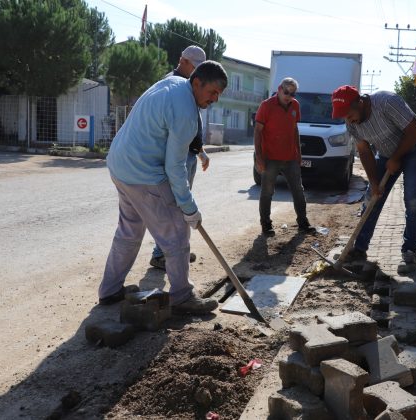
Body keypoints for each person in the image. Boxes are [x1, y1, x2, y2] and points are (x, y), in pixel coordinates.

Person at [97, 61, 228, 315]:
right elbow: (175, 168)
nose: (214, 99)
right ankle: (182, 296)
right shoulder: (187, 114)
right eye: (212, 92)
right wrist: (189, 208)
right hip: (143, 173)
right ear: (197, 82)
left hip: (120, 164)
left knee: (129, 231)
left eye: (218, 95)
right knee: (177, 233)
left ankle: (110, 290)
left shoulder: (173, 83)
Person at [331, 85, 416, 274]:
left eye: (348, 113)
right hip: (387, 153)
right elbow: (364, 151)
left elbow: (415, 131)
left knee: (413, 200)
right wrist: (374, 183)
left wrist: (396, 158)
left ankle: (409, 251)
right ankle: (358, 249)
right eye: (343, 115)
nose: (348, 119)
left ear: (359, 102)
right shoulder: (352, 123)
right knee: (372, 198)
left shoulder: (387, 102)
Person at [149, 45, 210, 270]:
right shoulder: (172, 84)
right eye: (194, 68)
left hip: (188, 154)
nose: (196, 74)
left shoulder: (190, 85)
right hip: (175, 156)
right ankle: (161, 254)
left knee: (179, 207)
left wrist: (200, 150)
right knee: (174, 206)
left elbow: (193, 122)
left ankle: (176, 250)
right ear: (182, 60)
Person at [254, 77, 316, 236]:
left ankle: (303, 223)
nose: (289, 95)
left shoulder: (295, 105)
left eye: (292, 93)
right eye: (286, 91)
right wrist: (259, 158)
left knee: (298, 191)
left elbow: (295, 130)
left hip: (291, 158)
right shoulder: (266, 106)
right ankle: (266, 225)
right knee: (267, 192)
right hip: (270, 158)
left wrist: (299, 153)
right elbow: (258, 131)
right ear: (280, 89)